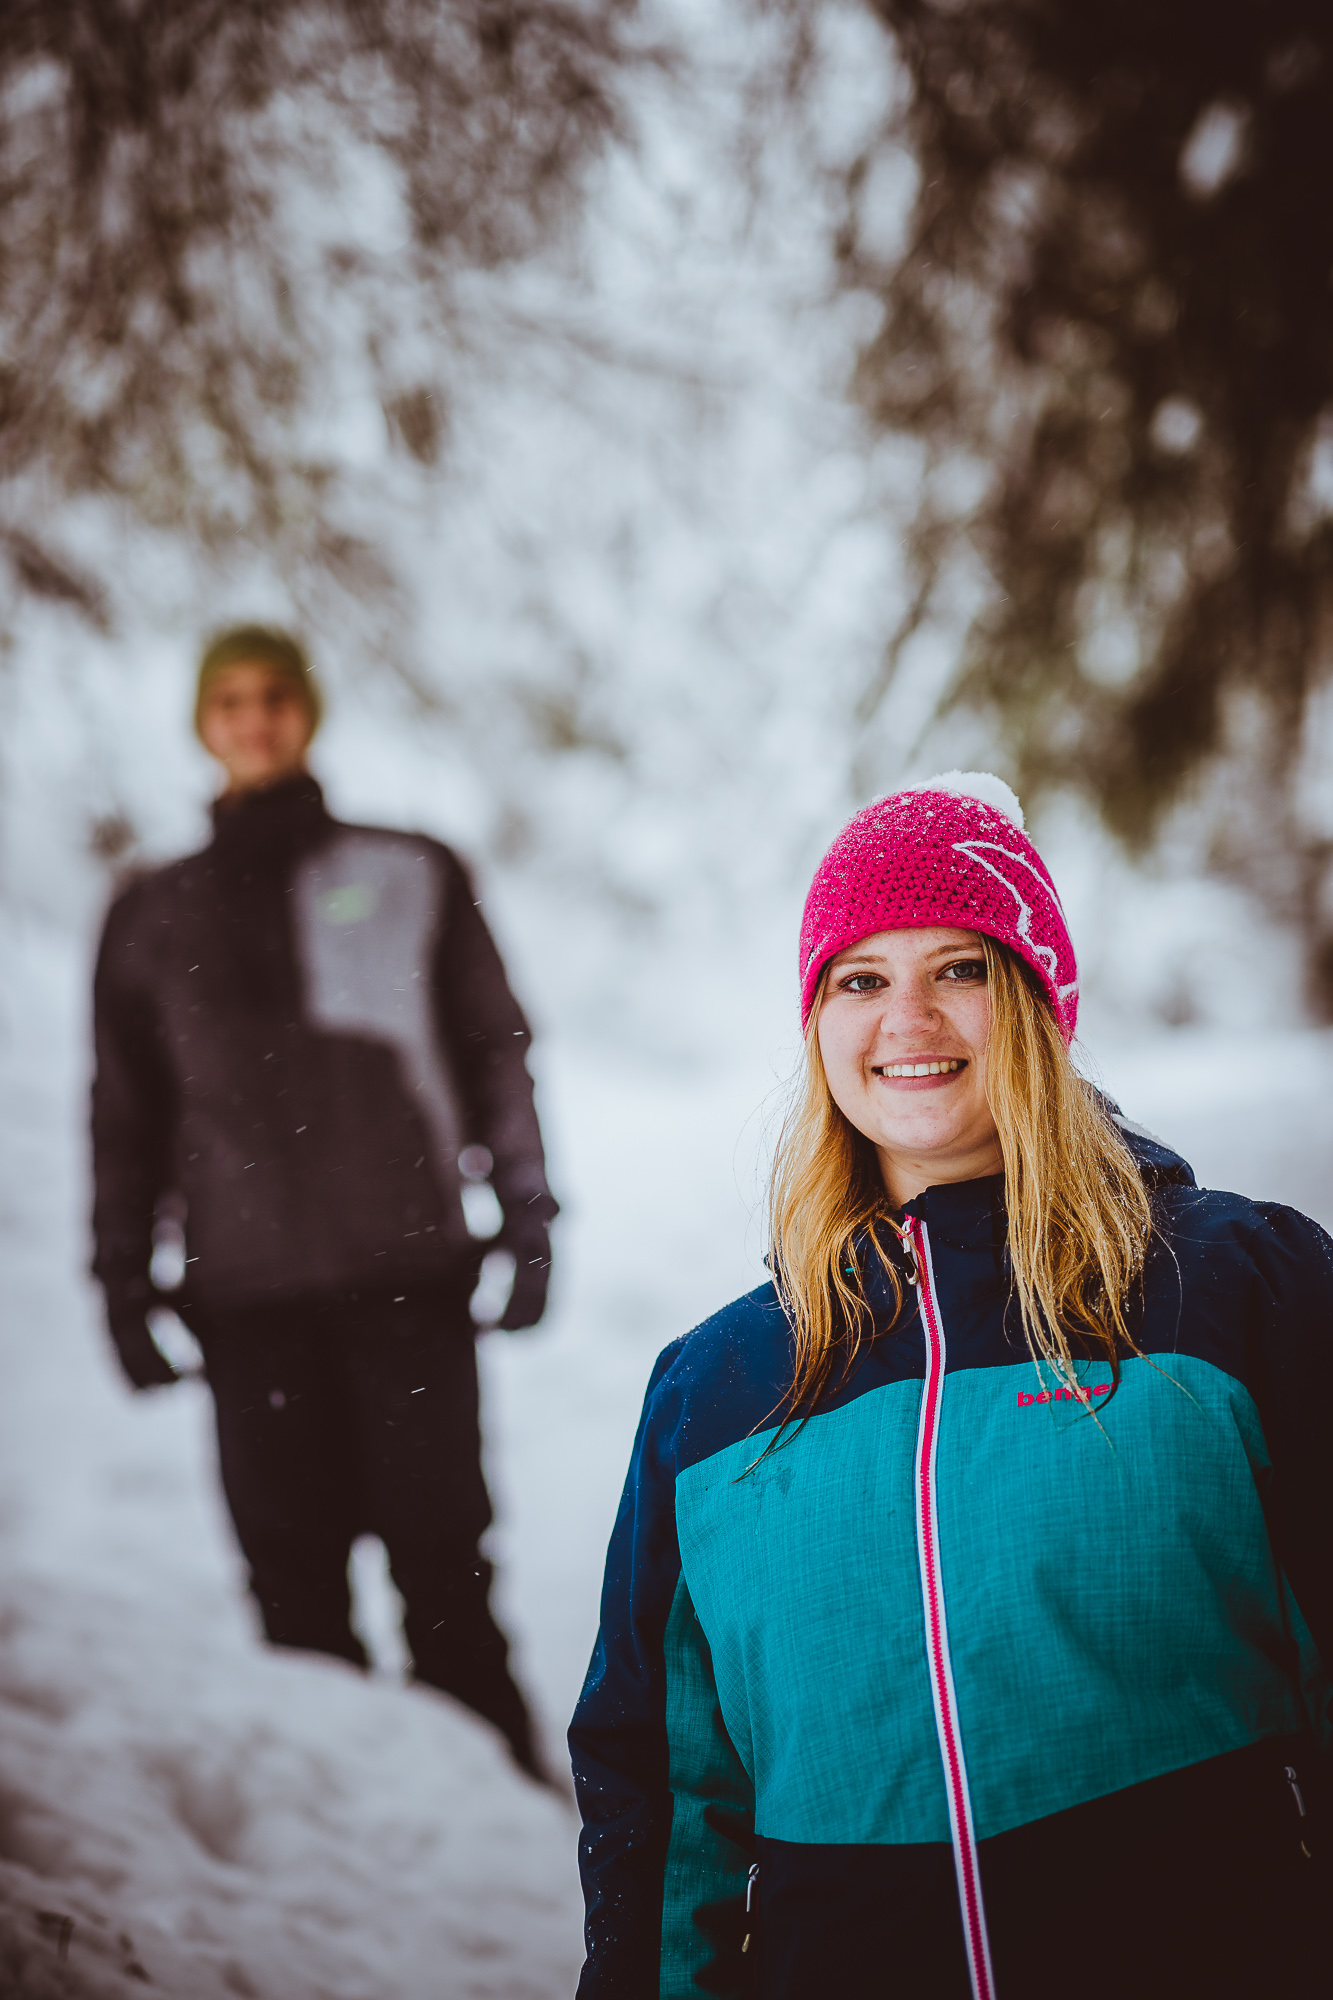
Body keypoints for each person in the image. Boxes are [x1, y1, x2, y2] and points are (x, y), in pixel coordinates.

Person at [569, 771, 1331, 1997]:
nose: (906, 1016)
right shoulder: (714, 1393)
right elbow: (659, 1785)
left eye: (958, 968)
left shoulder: (1239, 1289)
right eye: (860, 979)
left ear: (1036, 999)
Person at [92, 624, 558, 1781]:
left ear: (308, 710)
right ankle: (339, 1849)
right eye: (231, 700)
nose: (255, 719)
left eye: (275, 695)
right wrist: (118, 1278)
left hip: (410, 1286)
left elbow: (494, 1050)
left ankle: (507, 1822)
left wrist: (530, 1211)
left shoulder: (413, 869)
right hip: (248, 1307)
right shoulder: (151, 910)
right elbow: (124, 1113)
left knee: (447, 1582)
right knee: (294, 1603)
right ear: (204, 722)